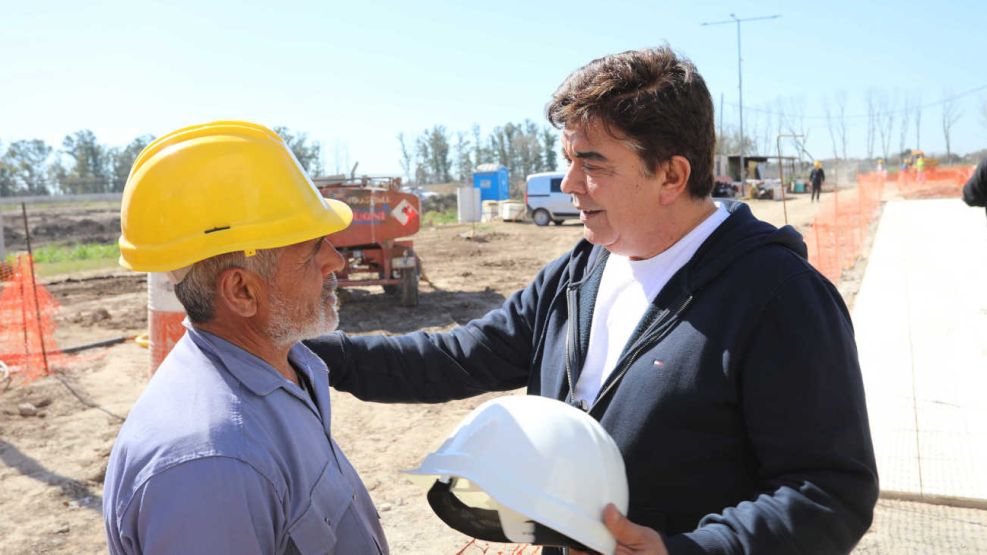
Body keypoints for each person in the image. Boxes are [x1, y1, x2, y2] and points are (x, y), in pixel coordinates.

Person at [307, 46, 878, 554]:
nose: (569, 184)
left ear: (671, 176)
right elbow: (458, 355)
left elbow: (829, 491)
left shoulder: (778, 297)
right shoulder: (582, 271)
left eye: (592, 164)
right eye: (568, 160)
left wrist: (689, 549)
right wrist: (305, 354)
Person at [103, 121, 388, 554]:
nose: (336, 261)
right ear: (242, 291)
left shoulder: (287, 366)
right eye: (313, 248)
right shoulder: (210, 468)